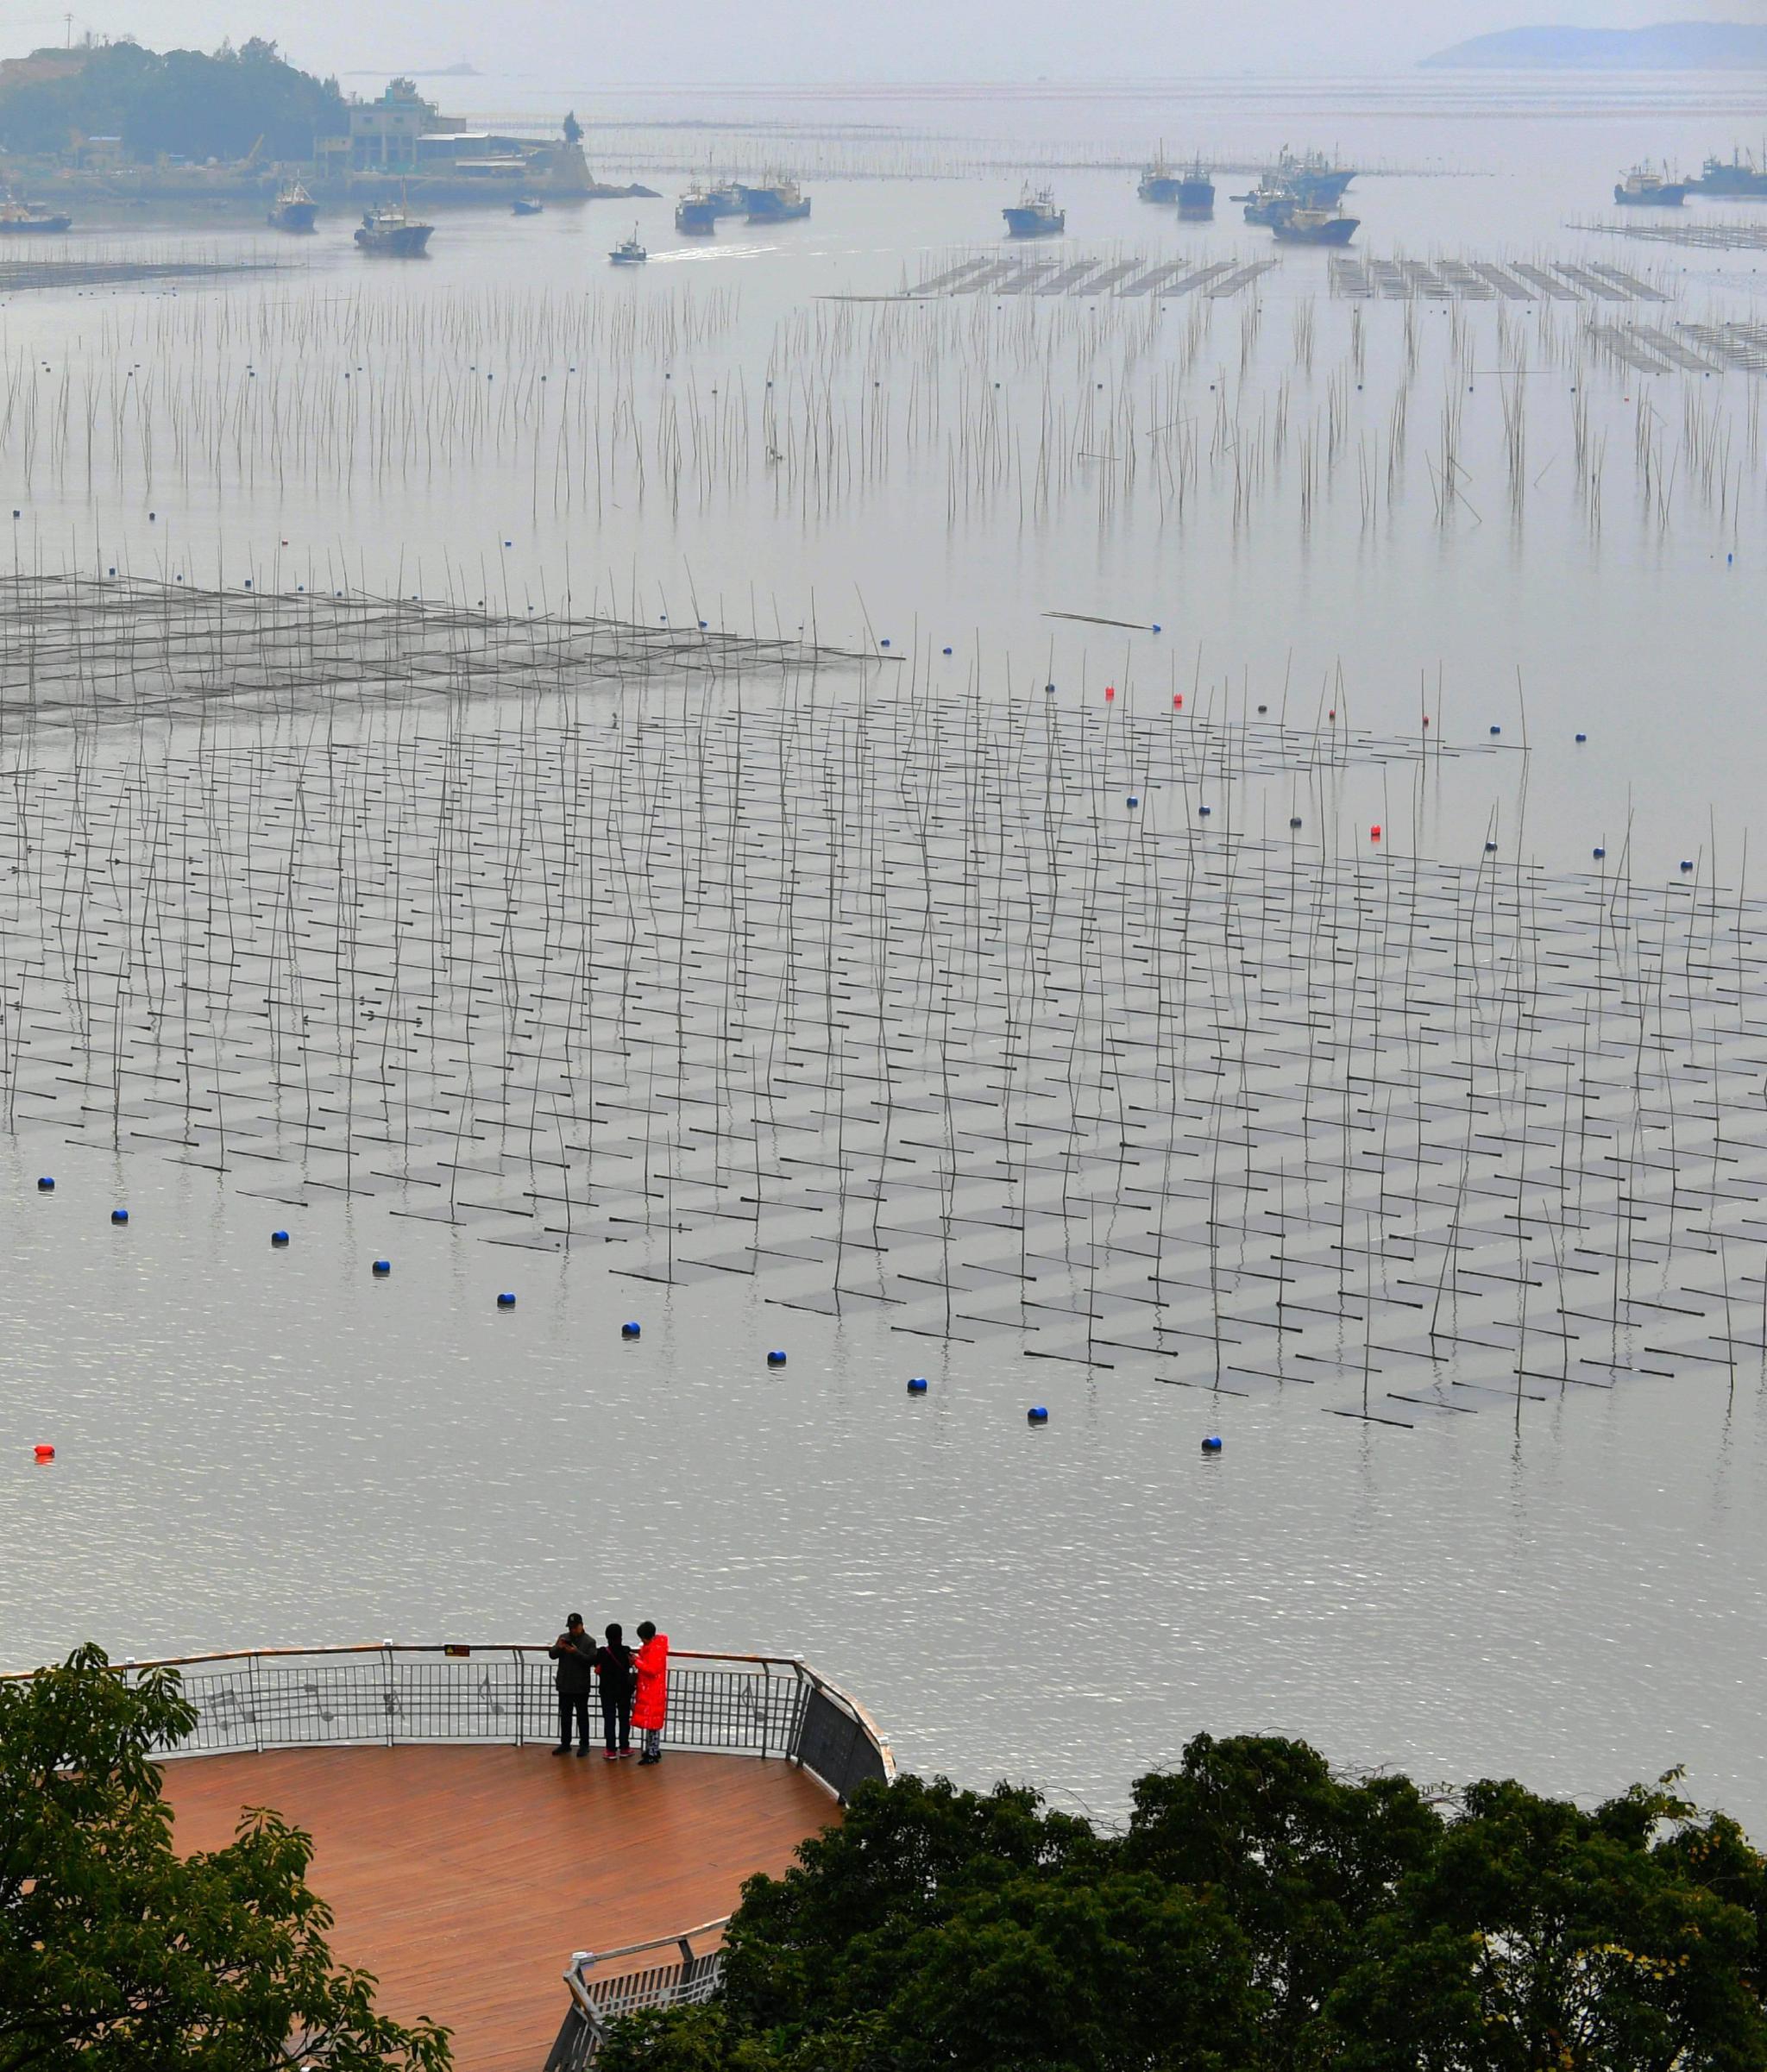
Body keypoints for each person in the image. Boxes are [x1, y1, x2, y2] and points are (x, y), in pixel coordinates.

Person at [547, 1613, 595, 1756]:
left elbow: (590, 1660)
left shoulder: (589, 1642)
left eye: (575, 1627)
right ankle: (565, 1743)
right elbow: (552, 1655)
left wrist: (576, 1653)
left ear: (581, 1625)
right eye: (571, 1627)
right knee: (565, 1716)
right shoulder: (563, 1638)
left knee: (582, 1716)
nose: (572, 1630)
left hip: (580, 1686)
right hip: (565, 1684)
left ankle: (584, 1744)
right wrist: (559, 1647)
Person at [594, 1622, 635, 1761]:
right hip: (624, 1690)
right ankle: (624, 1747)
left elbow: (595, 1664)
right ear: (621, 1636)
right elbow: (631, 1663)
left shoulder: (602, 1652)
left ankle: (610, 1750)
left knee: (609, 1719)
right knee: (624, 1719)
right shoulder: (626, 1650)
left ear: (607, 1637)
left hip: (606, 1691)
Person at [632, 1620, 670, 1764]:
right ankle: (652, 1749)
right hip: (654, 1689)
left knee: (653, 1724)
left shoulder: (654, 1649)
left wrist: (637, 1661)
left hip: (653, 1690)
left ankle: (652, 1752)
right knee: (652, 1722)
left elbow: (652, 1670)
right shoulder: (657, 1647)